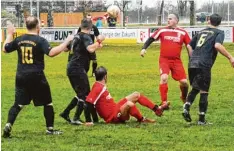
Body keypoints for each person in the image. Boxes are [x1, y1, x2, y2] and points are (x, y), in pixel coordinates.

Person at [2, 16, 73, 138]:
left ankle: (8, 124)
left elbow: (5, 49)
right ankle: (50, 129)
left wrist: (9, 34)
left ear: (26, 26)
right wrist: (66, 41)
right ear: (38, 26)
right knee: (48, 103)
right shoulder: (40, 40)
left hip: (21, 75)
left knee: (18, 104)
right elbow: (51, 52)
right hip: (36, 76)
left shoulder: (19, 39)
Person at [182, 14, 234, 125]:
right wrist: (230, 57)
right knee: (204, 91)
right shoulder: (219, 32)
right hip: (204, 64)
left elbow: (189, 46)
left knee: (196, 87)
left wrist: (193, 58)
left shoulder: (200, 32)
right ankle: (201, 120)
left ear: (209, 21)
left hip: (193, 63)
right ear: (219, 23)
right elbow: (217, 45)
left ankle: (186, 106)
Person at [140, 13, 191, 109]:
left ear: (176, 20)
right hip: (164, 60)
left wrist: (191, 58)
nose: (168, 20)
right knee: (164, 78)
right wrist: (144, 48)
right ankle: (164, 102)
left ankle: (184, 97)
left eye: (170, 19)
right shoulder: (162, 30)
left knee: (184, 82)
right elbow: (151, 38)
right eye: (167, 19)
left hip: (176, 61)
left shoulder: (183, 32)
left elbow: (189, 46)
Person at [59, 18, 105, 125]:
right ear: (91, 27)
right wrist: (99, 41)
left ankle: (65, 113)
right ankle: (76, 118)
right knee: (85, 95)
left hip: (71, 67)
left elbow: (66, 49)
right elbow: (90, 49)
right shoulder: (86, 36)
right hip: (77, 68)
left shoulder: (76, 36)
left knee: (81, 93)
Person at [85, 66, 166, 125]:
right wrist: (89, 121)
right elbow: (88, 103)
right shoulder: (98, 88)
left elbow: (92, 104)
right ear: (105, 76)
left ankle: (156, 109)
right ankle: (142, 119)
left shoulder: (99, 85)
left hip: (115, 109)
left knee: (136, 95)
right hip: (113, 117)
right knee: (129, 104)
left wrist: (95, 119)